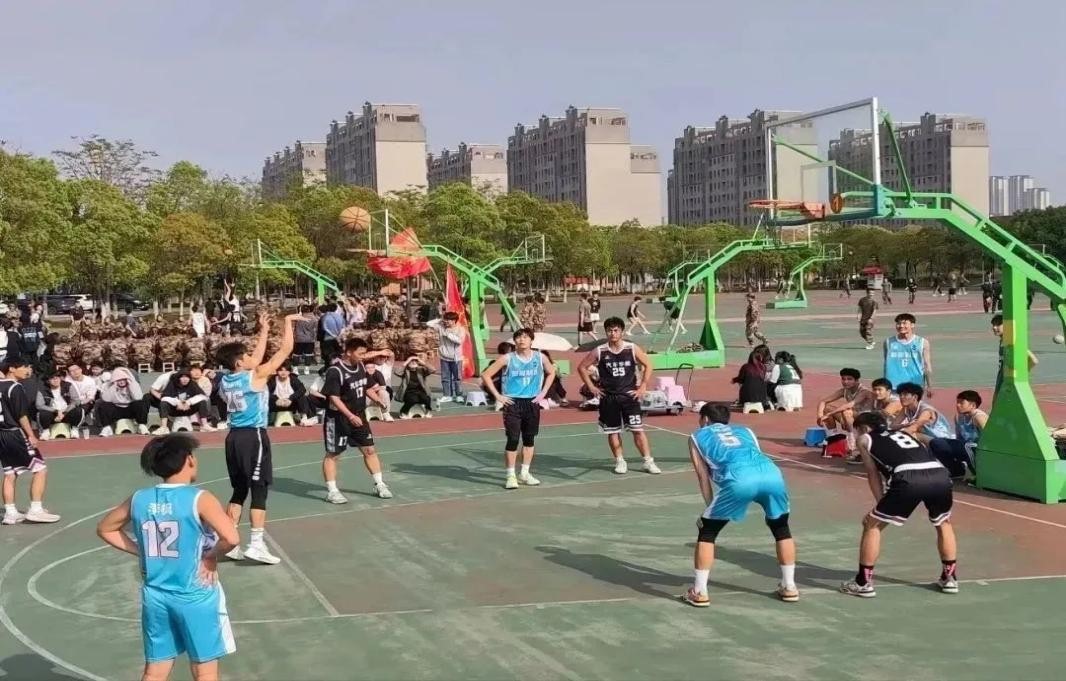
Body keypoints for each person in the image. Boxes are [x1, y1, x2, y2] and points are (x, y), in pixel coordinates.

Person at [96, 434, 239, 681]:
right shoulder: (200, 498)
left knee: (155, 671)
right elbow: (232, 538)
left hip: (155, 595)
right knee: (205, 670)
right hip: (194, 593)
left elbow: (105, 529)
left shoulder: (139, 498)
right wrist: (209, 557)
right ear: (189, 459)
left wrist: (140, 550)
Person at [682, 403, 798, 606]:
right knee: (781, 527)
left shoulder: (696, 437)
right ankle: (789, 586)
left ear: (705, 419)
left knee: (707, 532)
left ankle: (699, 591)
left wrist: (710, 511)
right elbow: (755, 454)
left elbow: (702, 476)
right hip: (772, 474)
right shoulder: (746, 431)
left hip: (740, 480)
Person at [840, 411, 958, 598]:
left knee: (871, 524)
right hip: (940, 475)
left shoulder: (865, 439)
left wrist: (881, 502)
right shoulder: (904, 434)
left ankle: (863, 582)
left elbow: (872, 474)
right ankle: (950, 578)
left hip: (908, 478)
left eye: (857, 430)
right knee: (943, 523)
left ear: (863, 428)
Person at [214, 310, 300, 565]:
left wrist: (264, 330)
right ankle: (256, 544)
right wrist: (287, 324)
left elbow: (257, 359)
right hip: (254, 437)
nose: (252, 357)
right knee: (259, 489)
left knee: (239, 490)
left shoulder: (225, 381)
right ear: (240, 362)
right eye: (247, 355)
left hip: (233, 439)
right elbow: (285, 351)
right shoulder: (256, 376)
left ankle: (229, 542)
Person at [576, 317, 660, 475]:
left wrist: (643, 385)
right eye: (609, 330)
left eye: (616, 330)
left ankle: (648, 461)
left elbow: (648, 364)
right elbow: (581, 367)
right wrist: (591, 387)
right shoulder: (600, 350)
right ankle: (620, 461)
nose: (613, 333)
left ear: (622, 332)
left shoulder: (631, 348)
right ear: (606, 332)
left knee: (638, 430)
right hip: (609, 398)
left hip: (629, 397)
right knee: (613, 431)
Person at [481, 328, 557, 489]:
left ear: (531, 340)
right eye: (518, 337)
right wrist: (498, 396)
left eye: (525, 337)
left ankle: (525, 473)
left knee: (529, 439)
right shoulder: (508, 358)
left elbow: (551, 372)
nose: (522, 340)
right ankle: (510, 475)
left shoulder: (540, 357)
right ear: (514, 341)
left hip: (532, 402)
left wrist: (543, 392)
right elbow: (486, 375)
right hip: (513, 403)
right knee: (513, 439)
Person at [321, 337, 394, 504]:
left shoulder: (360, 366)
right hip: (338, 419)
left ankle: (379, 484)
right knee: (333, 454)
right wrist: (350, 416)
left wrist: (378, 400)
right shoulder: (335, 371)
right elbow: (334, 398)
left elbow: (366, 386)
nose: (363, 356)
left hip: (359, 416)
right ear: (349, 352)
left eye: (364, 353)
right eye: (360, 353)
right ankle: (332, 491)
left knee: (369, 450)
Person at [0, 358, 60, 525]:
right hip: (15, 433)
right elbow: (22, 415)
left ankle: (10, 513)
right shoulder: (15, 387)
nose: (28, 370)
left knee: (10, 473)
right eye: (24, 367)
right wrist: (31, 435)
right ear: (12, 369)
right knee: (40, 469)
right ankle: (36, 509)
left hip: (1, 435)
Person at [928, 390, 988, 478]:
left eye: (961, 403)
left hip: (979, 449)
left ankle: (977, 473)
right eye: (957, 402)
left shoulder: (978, 416)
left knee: (967, 446)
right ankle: (957, 470)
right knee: (936, 443)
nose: (958, 405)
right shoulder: (958, 417)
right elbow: (959, 439)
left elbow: (989, 438)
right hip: (966, 448)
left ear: (973, 405)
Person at [883, 313, 933, 398]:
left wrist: (929, 386)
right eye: (898, 323)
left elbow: (927, 365)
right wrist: (885, 385)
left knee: (913, 406)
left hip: (915, 385)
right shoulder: (888, 342)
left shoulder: (922, 342)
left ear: (912, 325)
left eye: (904, 323)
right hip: (893, 385)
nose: (901, 326)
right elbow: (886, 364)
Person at [990, 314, 1037, 393]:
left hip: (1009, 386)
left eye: (998, 324)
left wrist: (1021, 374)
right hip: (1001, 383)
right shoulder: (1002, 341)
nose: (994, 327)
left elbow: (1034, 360)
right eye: (993, 325)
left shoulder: (1013, 342)